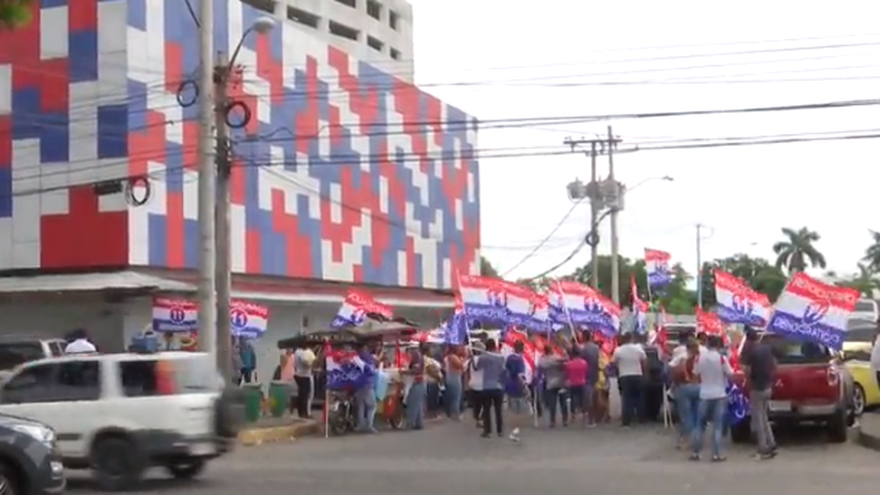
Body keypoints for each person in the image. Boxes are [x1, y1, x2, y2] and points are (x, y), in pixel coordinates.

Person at [690, 335, 734, 462]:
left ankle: (696, 452)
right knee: (717, 427)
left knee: (699, 425)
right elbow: (730, 374)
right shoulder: (721, 358)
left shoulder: (699, 358)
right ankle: (716, 454)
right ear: (719, 345)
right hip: (719, 394)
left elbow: (695, 374)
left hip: (704, 394)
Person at [740, 327, 778, 459]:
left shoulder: (751, 352)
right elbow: (774, 365)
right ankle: (771, 442)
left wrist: (747, 377)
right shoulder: (766, 349)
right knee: (764, 416)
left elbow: (748, 370)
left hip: (757, 387)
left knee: (759, 418)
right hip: (768, 386)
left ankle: (763, 447)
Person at [671, 339, 701, 449]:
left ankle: (688, 440)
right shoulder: (702, 358)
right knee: (697, 414)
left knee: (686, 415)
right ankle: (698, 438)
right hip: (699, 387)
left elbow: (673, 370)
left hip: (684, 387)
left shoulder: (684, 358)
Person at [612, 332, 647, 427]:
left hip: (624, 376)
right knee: (639, 397)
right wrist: (643, 372)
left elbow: (614, 363)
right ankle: (641, 418)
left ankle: (626, 421)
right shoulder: (638, 349)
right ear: (631, 338)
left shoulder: (618, 350)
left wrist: (619, 369)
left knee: (626, 399)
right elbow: (644, 361)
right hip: (637, 375)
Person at [474, 339, 506, 438]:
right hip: (498, 385)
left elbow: (477, 368)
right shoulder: (501, 357)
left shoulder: (483, 357)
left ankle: (487, 431)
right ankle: (500, 431)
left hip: (487, 386)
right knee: (498, 410)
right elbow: (503, 370)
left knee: (486, 410)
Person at [538, 344, 567, 427]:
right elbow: (565, 362)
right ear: (551, 350)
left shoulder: (543, 360)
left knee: (552, 404)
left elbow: (541, 365)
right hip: (561, 382)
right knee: (563, 402)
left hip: (550, 383)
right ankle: (564, 420)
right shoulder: (557, 357)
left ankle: (552, 421)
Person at [353, 343, 378, 433]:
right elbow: (371, 370)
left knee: (361, 406)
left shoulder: (355, 358)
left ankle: (360, 425)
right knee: (372, 406)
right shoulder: (368, 358)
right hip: (367, 384)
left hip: (357, 385)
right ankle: (369, 425)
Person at [579, 331, 601, 426]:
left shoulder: (583, 349)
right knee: (595, 396)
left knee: (589, 398)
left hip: (586, 375)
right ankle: (596, 417)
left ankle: (591, 419)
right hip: (595, 373)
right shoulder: (596, 348)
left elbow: (581, 361)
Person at [403, 345, 427, 430]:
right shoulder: (418, 357)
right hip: (420, 383)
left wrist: (405, 372)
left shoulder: (417, 357)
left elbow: (416, 370)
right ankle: (419, 423)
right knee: (418, 405)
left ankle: (410, 423)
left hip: (417, 382)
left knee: (412, 404)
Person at [565, 347, 589, 426]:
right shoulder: (584, 362)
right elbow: (586, 373)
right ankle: (585, 415)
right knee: (583, 399)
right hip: (582, 382)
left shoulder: (569, 364)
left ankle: (573, 416)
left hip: (572, 383)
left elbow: (567, 374)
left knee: (573, 399)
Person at [504, 341, 528, 416]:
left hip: (510, 382)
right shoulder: (520, 360)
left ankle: (513, 415)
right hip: (519, 382)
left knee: (512, 400)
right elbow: (520, 374)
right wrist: (524, 384)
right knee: (520, 401)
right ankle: (519, 417)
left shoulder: (509, 358)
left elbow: (506, 369)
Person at [292, 344, 315, 419]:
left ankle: (301, 412)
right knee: (305, 395)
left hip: (298, 374)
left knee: (301, 394)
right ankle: (304, 412)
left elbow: (294, 364)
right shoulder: (304, 352)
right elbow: (307, 363)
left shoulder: (297, 352)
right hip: (305, 375)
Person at [466, 341, 486, 427]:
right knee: (484, 404)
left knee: (476, 405)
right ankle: (481, 419)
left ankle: (477, 418)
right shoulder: (484, 360)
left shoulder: (470, 360)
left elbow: (464, 369)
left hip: (472, 385)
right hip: (482, 385)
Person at [444, 345, 465, 420]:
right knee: (456, 396)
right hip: (454, 377)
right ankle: (455, 414)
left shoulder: (448, 357)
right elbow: (460, 366)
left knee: (452, 396)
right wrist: (463, 360)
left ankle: (453, 413)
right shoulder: (452, 357)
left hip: (451, 376)